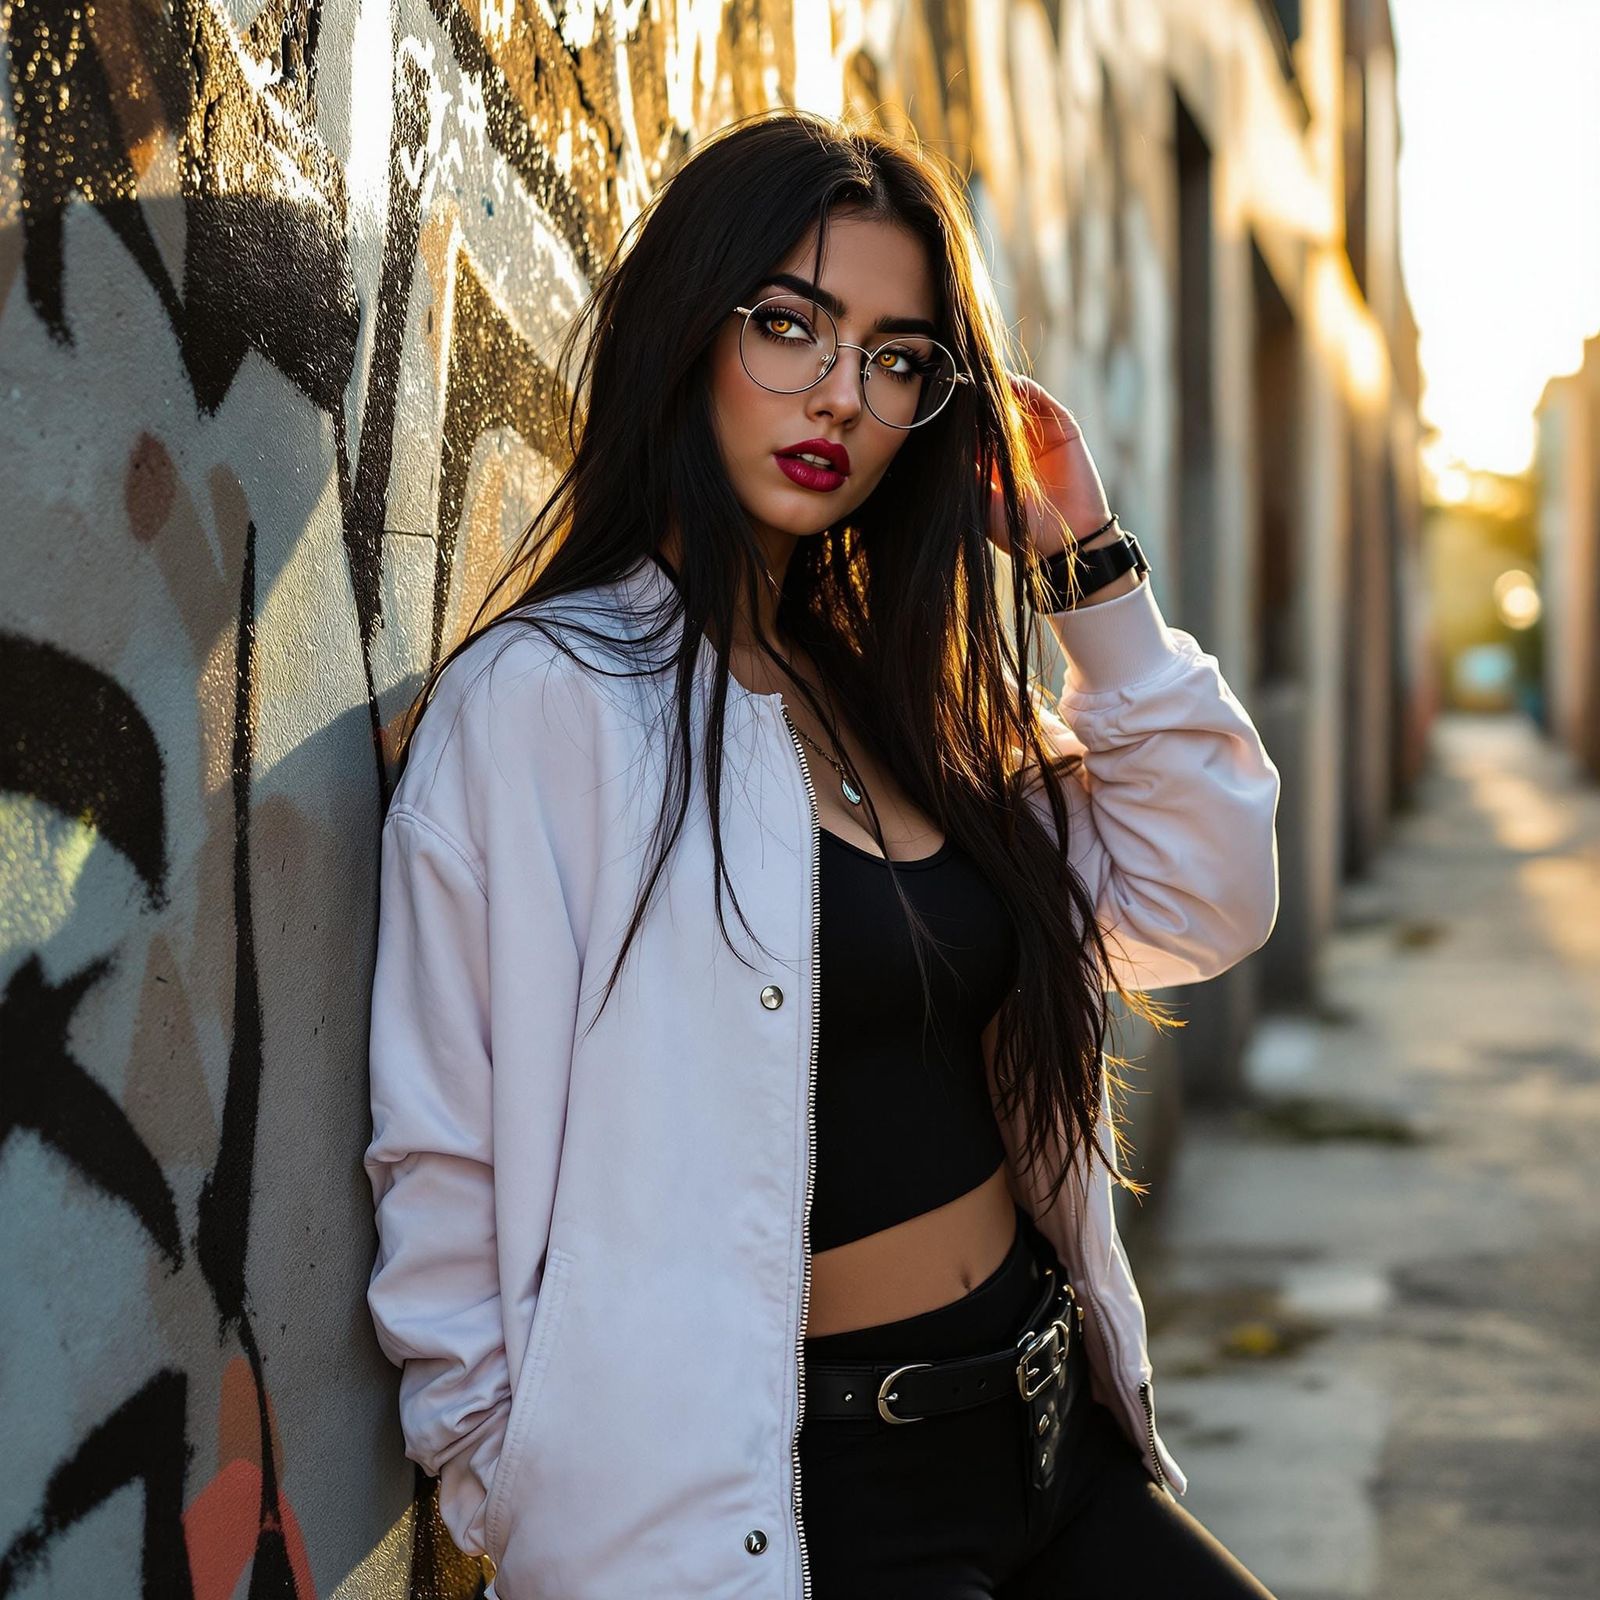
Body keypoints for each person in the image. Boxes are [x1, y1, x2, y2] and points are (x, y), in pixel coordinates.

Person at [363, 108, 1283, 1599]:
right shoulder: (547, 706)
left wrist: (1085, 567)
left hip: (1052, 1438)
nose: (841, 396)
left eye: (899, 358)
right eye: (789, 326)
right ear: (686, 327)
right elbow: (441, 1150)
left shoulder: (883, 694)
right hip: (812, 1506)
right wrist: (510, 1488)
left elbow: (1204, 897)